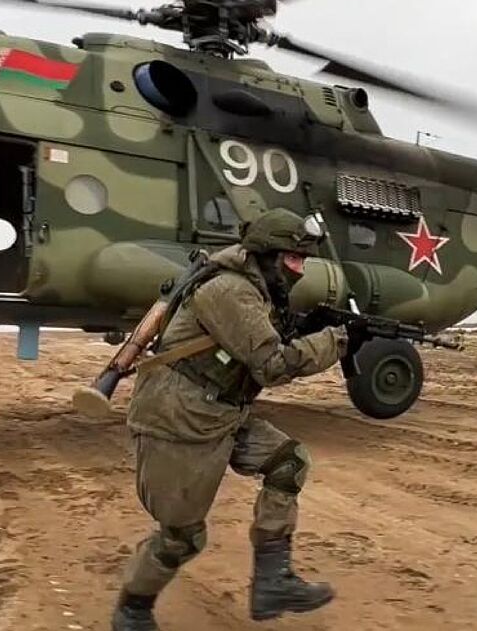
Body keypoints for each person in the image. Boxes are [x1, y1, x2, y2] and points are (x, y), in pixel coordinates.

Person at [112, 208, 350, 630]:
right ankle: (133, 609)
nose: (300, 269)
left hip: (220, 410)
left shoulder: (256, 289)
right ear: (268, 255)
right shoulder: (230, 290)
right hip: (178, 420)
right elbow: (272, 365)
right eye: (294, 258)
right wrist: (334, 342)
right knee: (181, 538)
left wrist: (312, 330)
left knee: (288, 462)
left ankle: (272, 581)